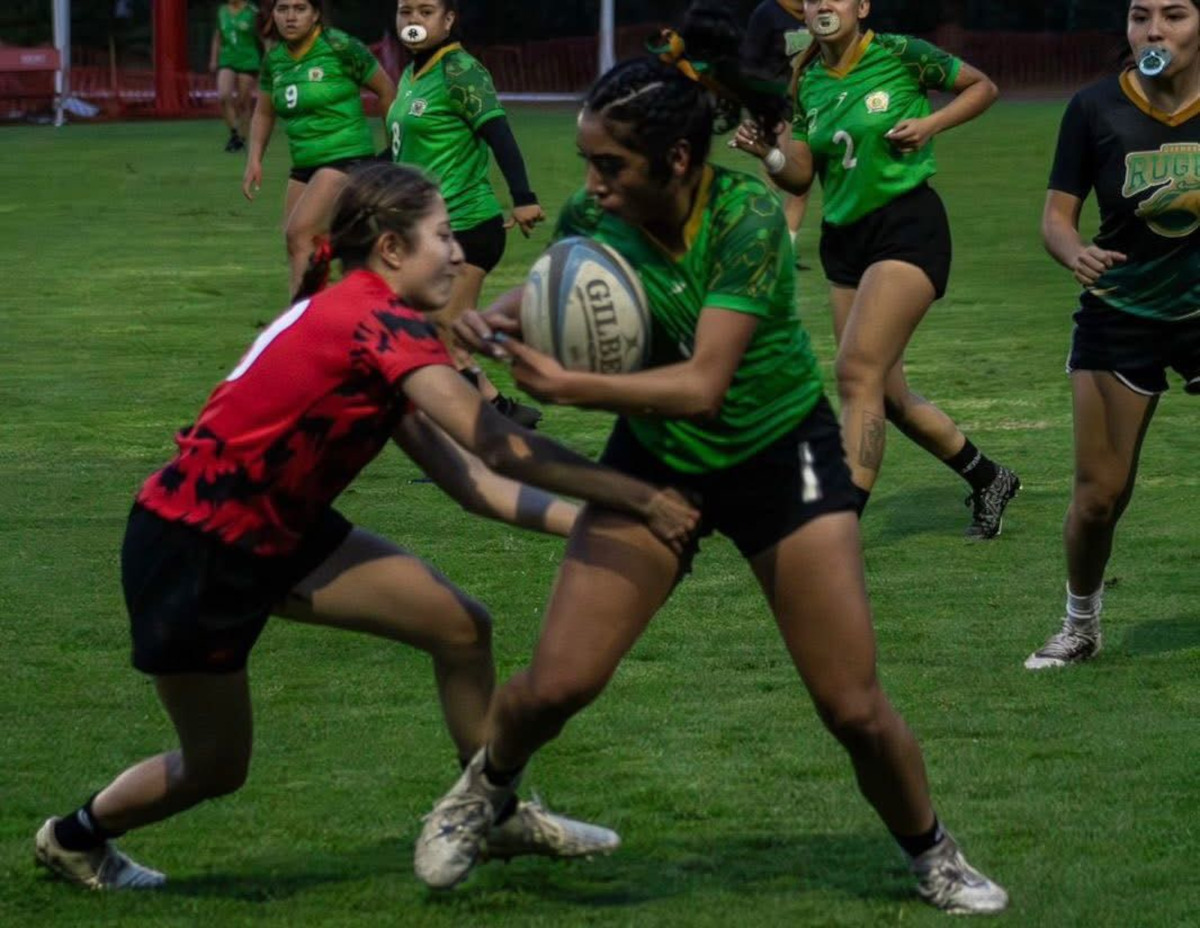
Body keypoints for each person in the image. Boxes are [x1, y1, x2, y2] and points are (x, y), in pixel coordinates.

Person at [414, 5, 1008, 914]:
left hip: (783, 459)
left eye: (609, 165)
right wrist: (494, 318)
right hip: (657, 461)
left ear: (679, 162)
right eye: (587, 162)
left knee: (851, 707)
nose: (592, 183)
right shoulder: (597, 209)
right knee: (557, 683)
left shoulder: (745, 224)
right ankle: (488, 787)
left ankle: (931, 850)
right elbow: (560, 281)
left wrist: (569, 391)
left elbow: (703, 383)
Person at [33, 163, 700, 891]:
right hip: (195, 547)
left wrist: (591, 526)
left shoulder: (369, 318)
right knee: (216, 767)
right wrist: (637, 499)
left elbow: (471, 484)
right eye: (443, 237)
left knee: (459, 627)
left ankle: (492, 810)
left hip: (279, 533)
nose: (456, 253)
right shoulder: (371, 322)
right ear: (389, 249)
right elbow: (497, 444)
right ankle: (75, 838)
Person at [732, 0, 1020, 538]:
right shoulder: (808, 80)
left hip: (906, 227)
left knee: (853, 372)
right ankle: (990, 477)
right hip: (844, 243)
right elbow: (801, 175)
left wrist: (932, 123)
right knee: (885, 394)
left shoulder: (900, 53)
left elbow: (983, 87)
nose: (823, 5)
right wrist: (769, 155)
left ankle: (837, 525)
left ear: (861, 6)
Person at [1025, 0, 1200, 669]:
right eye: (1140, 16)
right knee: (1098, 498)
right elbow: (1056, 219)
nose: (1154, 31)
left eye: (1175, 15)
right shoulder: (1095, 107)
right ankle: (1080, 625)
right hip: (1122, 312)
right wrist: (1073, 252)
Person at [243, 0, 397, 295]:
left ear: (315, 14)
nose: (290, 17)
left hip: (347, 160)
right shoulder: (274, 60)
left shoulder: (340, 46)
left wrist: (394, 150)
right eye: (282, 9)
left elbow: (387, 90)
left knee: (299, 234)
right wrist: (254, 160)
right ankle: (327, 312)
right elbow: (264, 112)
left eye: (299, 9)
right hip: (304, 166)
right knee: (302, 248)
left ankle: (300, 323)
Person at [741, 0, 812, 264]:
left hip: (812, 104)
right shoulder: (768, 11)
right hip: (778, 105)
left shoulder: (819, 8)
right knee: (777, 175)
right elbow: (750, 61)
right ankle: (759, 240)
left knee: (802, 183)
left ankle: (785, 250)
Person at [210, 0, 262, 153]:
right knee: (223, 95)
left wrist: (266, 62)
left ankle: (243, 138)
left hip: (248, 59)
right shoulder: (222, 11)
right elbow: (218, 36)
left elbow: (262, 38)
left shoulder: (252, 12)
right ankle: (234, 134)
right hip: (227, 58)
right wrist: (214, 59)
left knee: (243, 101)